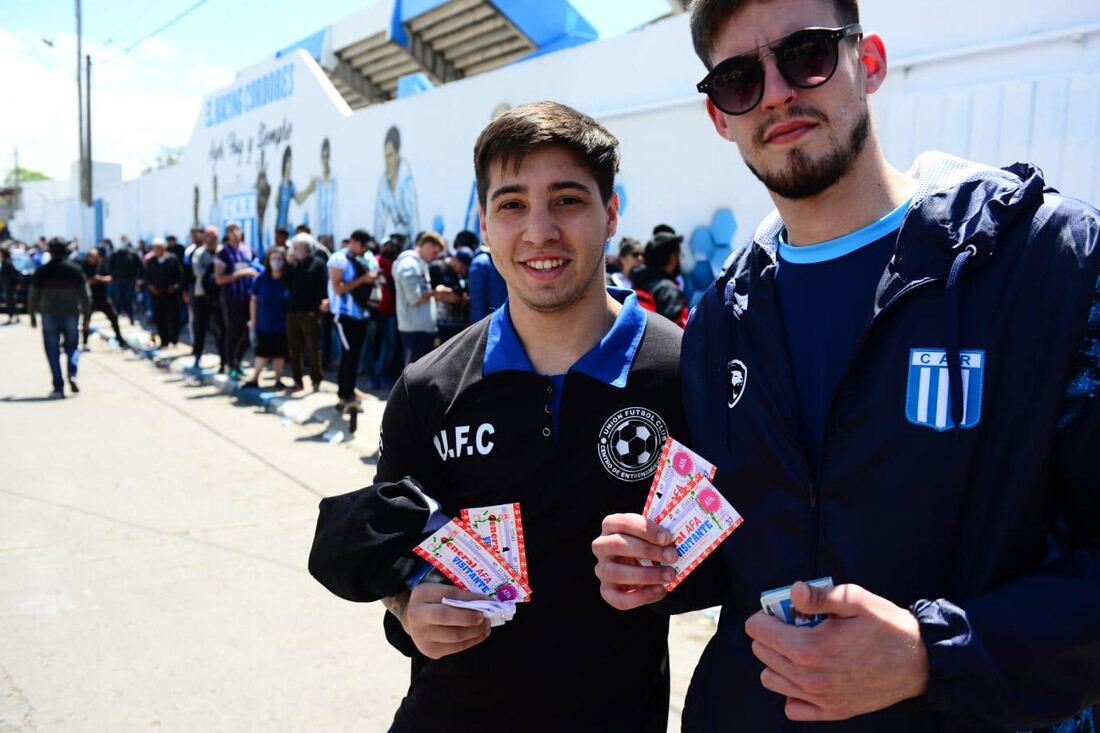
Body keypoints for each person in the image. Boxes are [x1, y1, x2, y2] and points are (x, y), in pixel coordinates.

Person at [592, 1, 1100, 731]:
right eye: (739, 78)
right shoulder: (719, 324)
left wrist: (933, 651)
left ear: (868, 62)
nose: (775, 92)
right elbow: (759, 543)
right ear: (718, 116)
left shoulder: (1049, 264)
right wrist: (659, 566)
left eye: (805, 54)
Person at [308, 101, 688, 731]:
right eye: (512, 204)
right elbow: (390, 545)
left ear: (611, 214)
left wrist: (672, 574)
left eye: (567, 199)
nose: (539, 231)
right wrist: (407, 607)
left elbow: (740, 555)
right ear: (485, 223)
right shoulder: (428, 389)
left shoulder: (682, 373)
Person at [28, 238, 90, 398]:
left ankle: (58, 387)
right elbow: (85, 296)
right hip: (71, 314)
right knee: (73, 347)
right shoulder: (75, 270)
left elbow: (33, 295)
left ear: (50, 251)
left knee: (52, 352)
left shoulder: (42, 270)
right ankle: (72, 374)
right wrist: (87, 316)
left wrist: (32, 315)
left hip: (49, 315)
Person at [327, 229, 379, 409]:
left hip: (362, 313)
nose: (364, 249)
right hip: (344, 315)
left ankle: (350, 389)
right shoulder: (338, 259)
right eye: (362, 245)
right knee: (348, 354)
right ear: (354, 241)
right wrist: (363, 279)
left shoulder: (366, 257)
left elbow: (374, 272)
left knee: (357, 354)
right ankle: (344, 394)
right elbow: (337, 288)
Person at [214, 222, 259, 380]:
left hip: (248, 298)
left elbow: (257, 268)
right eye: (231, 230)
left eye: (237, 229)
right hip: (231, 298)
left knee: (248, 331)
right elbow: (219, 279)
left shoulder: (248, 250)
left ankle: (238, 360)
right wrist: (241, 274)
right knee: (232, 332)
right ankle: (230, 365)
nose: (234, 232)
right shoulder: (223, 253)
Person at [393, 231, 444, 366]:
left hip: (421, 328)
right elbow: (414, 298)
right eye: (434, 252)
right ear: (427, 244)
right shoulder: (409, 264)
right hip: (414, 329)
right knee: (413, 373)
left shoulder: (419, 263)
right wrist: (436, 292)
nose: (435, 256)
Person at [285, 232, 327, 392]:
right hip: (293, 311)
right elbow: (286, 283)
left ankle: (316, 379)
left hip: (310, 312)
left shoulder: (318, 264)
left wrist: (315, 308)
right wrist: (288, 265)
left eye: (298, 247)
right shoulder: (293, 265)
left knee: (312, 348)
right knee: (294, 348)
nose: (295, 250)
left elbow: (321, 288)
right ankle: (297, 380)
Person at [245, 247, 291, 389]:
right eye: (273, 258)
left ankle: (278, 379)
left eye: (279, 259)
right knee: (262, 352)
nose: (276, 262)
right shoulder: (261, 279)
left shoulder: (287, 279)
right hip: (264, 322)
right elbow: (254, 300)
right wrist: (253, 321)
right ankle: (255, 379)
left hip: (282, 323)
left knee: (279, 353)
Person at [629, 230, 689, 327]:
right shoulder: (667, 289)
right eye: (679, 255)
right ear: (673, 258)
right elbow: (676, 332)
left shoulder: (639, 281)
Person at [373, 126, 419, 243]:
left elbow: (413, 217)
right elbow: (379, 220)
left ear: (398, 153)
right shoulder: (383, 182)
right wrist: (377, 246)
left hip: (411, 239)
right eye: (385, 156)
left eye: (390, 155)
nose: (387, 161)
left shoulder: (406, 178)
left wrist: (416, 246)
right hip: (397, 239)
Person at [365, 235, 400, 388]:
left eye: (393, 247)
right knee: (372, 344)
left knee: (390, 344)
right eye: (387, 246)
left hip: (391, 311)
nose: (390, 249)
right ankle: (372, 374)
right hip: (374, 310)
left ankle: (382, 372)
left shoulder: (397, 264)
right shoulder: (374, 262)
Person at [190, 226, 225, 371]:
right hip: (202, 294)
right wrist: (215, 271)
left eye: (213, 237)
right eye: (208, 237)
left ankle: (225, 360)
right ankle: (197, 356)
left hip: (219, 295)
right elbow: (198, 271)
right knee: (200, 327)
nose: (211, 240)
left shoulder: (222, 252)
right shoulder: (199, 253)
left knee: (221, 329)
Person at [80, 248, 125, 348]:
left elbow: (109, 278)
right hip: (89, 298)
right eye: (93, 258)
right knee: (86, 320)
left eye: (97, 257)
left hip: (102, 297)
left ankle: (120, 338)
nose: (96, 259)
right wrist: (95, 280)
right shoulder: (83, 266)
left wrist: (98, 279)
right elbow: (85, 281)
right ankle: (85, 342)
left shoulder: (101, 265)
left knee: (113, 317)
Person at [144, 236, 184, 348]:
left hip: (171, 294)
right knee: (160, 318)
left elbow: (180, 275)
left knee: (173, 317)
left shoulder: (172, 259)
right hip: (157, 294)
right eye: (155, 248)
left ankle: (174, 339)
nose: (157, 250)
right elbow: (147, 276)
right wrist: (151, 286)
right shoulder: (151, 261)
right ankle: (164, 340)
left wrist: (175, 286)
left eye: (159, 248)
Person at [428, 245, 472, 343]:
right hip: (438, 325)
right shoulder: (436, 267)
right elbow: (431, 293)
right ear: (454, 258)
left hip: (456, 326)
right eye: (461, 266)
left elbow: (461, 296)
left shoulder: (459, 275)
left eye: (465, 269)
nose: (462, 270)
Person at [466, 229, 507, 323]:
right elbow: (477, 303)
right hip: (492, 325)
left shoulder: (494, 260)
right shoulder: (480, 262)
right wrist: (482, 330)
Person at [108, 236, 142, 325]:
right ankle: (116, 319)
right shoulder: (115, 254)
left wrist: (137, 278)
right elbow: (110, 266)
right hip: (117, 280)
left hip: (130, 281)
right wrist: (112, 276)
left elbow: (139, 266)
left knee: (129, 299)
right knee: (118, 300)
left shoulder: (132, 254)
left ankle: (131, 317)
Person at [0, 246, 21, 323]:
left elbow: (12, 274)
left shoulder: (7, 262)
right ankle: (14, 316)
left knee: (10, 301)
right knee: (11, 301)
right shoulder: (7, 262)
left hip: (10, 285)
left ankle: (11, 316)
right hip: (8, 285)